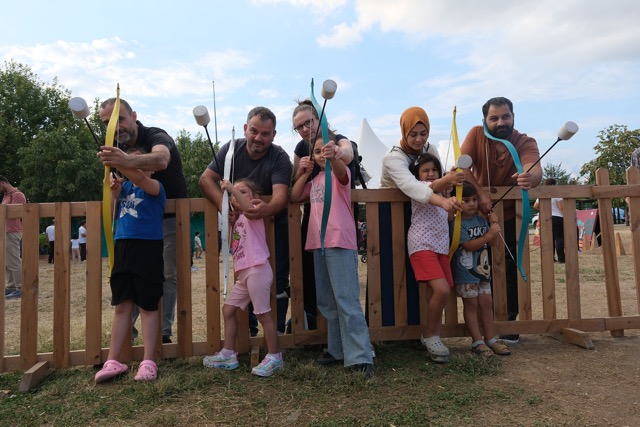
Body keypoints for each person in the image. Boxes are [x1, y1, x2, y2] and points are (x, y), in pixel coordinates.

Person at [98, 98, 188, 344]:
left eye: (119, 119)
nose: (115, 127)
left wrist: (124, 161)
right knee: (131, 277)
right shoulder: (116, 147)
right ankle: (128, 333)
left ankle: (163, 334)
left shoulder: (156, 135)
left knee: (167, 275)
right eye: (107, 123)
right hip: (134, 225)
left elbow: (161, 160)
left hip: (169, 218)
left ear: (134, 116)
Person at [199, 106, 291, 334]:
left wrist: (266, 209)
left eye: (265, 133)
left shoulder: (279, 156)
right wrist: (225, 206)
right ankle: (249, 331)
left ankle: (278, 333)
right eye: (254, 131)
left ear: (274, 135)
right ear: (245, 129)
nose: (258, 138)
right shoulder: (230, 150)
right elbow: (205, 179)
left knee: (279, 279)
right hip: (241, 231)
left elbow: (281, 197)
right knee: (244, 278)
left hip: (272, 227)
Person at [291, 130, 373, 378]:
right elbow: (295, 196)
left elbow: (340, 170)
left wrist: (334, 154)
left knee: (346, 299)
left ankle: (360, 356)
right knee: (327, 301)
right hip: (319, 244)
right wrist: (302, 172)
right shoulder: (315, 180)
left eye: (324, 149)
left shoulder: (341, 173)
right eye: (316, 152)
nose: (321, 154)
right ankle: (337, 350)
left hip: (339, 241)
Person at [461, 96, 542, 345]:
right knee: (477, 267)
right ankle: (484, 324)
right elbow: (462, 167)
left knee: (508, 266)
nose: (500, 122)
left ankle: (508, 322)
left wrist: (529, 177)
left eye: (505, 116)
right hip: (478, 216)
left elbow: (534, 168)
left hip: (510, 216)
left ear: (513, 117)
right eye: (493, 118)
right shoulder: (476, 134)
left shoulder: (525, 141)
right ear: (484, 120)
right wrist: (481, 195)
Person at [379, 106, 464, 327]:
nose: (419, 139)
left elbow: (438, 178)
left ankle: (422, 329)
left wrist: (448, 182)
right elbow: (413, 186)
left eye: (424, 133)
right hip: (392, 213)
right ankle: (391, 328)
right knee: (393, 270)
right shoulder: (392, 157)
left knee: (429, 282)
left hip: (427, 215)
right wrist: (444, 198)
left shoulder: (430, 148)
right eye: (413, 134)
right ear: (404, 132)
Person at [95, 148, 166, 383]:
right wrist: (113, 192)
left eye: (140, 163)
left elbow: (140, 179)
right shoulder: (123, 188)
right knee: (122, 306)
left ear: (151, 168)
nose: (136, 167)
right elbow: (110, 215)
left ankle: (148, 362)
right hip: (123, 248)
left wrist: (120, 162)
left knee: (147, 306)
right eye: (132, 161)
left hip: (148, 250)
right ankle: (113, 360)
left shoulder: (155, 187)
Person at [203, 179, 283, 377]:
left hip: (257, 270)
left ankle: (275, 356)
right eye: (234, 194)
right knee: (228, 310)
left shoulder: (254, 213)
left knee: (263, 315)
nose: (237, 195)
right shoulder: (239, 220)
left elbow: (248, 208)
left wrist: (231, 188)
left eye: (244, 191)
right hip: (244, 274)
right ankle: (228, 354)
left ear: (254, 197)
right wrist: (232, 223)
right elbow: (236, 244)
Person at [292, 99, 355, 328]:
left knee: (344, 294)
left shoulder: (338, 140)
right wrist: (301, 171)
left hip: (339, 220)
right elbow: (295, 189)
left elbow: (347, 155)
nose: (304, 129)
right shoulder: (302, 150)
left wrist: (335, 152)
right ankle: (320, 330)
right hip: (316, 223)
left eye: (308, 122)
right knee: (321, 289)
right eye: (299, 126)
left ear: (320, 118)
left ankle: (355, 345)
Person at [406, 153, 462, 363]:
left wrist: (452, 200)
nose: (430, 174)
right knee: (442, 290)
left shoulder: (442, 192)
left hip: (440, 247)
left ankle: (433, 336)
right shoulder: (419, 188)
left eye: (434, 170)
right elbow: (431, 187)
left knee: (437, 292)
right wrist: (448, 179)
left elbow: (447, 217)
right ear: (418, 175)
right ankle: (430, 334)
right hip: (422, 245)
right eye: (425, 170)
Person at [450, 182, 511, 357]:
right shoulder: (457, 223)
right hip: (465, 273)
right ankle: (477, 341)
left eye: (474, 199)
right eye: (466, 200)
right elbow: (468, 246)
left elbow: (491, 243)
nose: (472, 204)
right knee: (471, 305)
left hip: (483, 272)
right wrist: (489, 234)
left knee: (486, 303)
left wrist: (493, 228)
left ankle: (490, 339)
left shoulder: (481, 220)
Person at [1, 175, 26, 300]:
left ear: (2, 183)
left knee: (14, 260)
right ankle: (11, 286)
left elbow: (16, 213)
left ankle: (20, 288)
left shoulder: (17, 195)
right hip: (5, 231)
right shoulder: (6, 196)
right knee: (7, 261)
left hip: (12, 231)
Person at [533, 178, 565, 263]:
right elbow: (561, 207)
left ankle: (551, 258)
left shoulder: (542, 193)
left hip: (546, 218)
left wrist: (543, 209)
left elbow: (535, 206)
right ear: (554, 184)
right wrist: (565, 216)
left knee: (549, 239)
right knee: (559, 238)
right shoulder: (556, 193)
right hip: (557, 217)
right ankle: (561, 258)